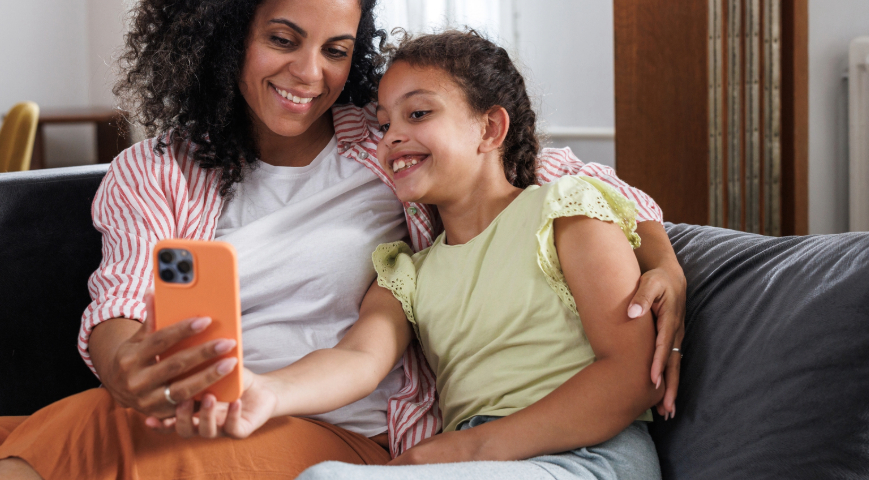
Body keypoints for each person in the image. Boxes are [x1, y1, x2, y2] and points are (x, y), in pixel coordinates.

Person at [0, 0, 685, 479]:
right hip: (202, 412)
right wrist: (129, 368)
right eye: (284, 39)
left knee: (76, 449)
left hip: (345, 431)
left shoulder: (383, 148)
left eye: (337, 49)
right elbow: (118, 305)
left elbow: (552, 176)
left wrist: (662, 256)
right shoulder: (158, 170)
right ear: (224, 34)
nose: (310, 74)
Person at [186, 30, 664, 480]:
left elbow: (631, 373)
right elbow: (357, 358)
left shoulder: (564, 212)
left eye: (418, 114)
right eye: (384, 123)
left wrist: (462, 449)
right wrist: (266, 390)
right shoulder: (406, 273)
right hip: (476, 461)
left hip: (589, 459)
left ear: (491, 128)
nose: (391, 136)